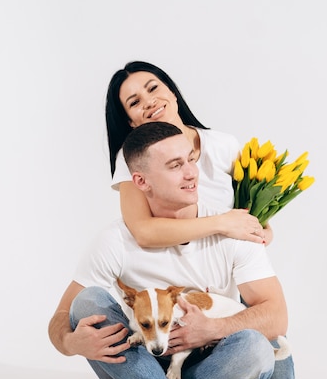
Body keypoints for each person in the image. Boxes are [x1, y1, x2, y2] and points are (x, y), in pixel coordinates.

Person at [48, 122, 294, 379]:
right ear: (141, 181)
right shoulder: (114, 240)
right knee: (87, 302)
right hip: (136, 371)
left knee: (256, 349)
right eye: (175, 166)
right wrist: (70, 340)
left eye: (191, 159)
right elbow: (62, 315)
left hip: (207, 366)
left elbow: (276, 317)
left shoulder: (231, 227)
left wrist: (213, 329)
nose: (192, 173)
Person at [105, 60, 273, 248]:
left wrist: (264, 231)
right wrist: (222, 223)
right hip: (171, 269)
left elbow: (253, 213)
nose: (149, 102)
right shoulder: (131, 159)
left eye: (153, 89)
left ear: (172, 92)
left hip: (230, 264)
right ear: (130, 122)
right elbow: (144, 232)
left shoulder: (224, 145)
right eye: (135, 102)